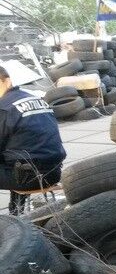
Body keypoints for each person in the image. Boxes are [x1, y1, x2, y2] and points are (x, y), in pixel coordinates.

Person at [0, 66, 66, 214]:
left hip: (26, 179)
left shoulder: (3, 108)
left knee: (15, 160)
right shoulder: (36, 99)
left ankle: (15, 217)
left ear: (7, 81)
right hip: (54, 172)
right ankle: (16, 213)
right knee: (18, 155)